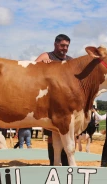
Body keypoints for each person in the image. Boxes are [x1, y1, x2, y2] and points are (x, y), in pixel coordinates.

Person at [35, 34, 72, 166]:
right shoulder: (46, 56)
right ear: (55, 44)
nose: (65, 48)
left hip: (66, 106)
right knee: (52, 137)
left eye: (67, 46)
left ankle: (66, 162)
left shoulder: (70, 61)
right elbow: (31, 70)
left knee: (66, 136)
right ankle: (53, 162)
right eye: (62, 45)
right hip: (50, 105)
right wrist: (41, 64)